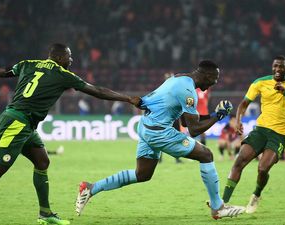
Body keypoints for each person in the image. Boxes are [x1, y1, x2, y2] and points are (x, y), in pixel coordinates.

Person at [0, 43, 141, 225]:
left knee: (42, 161)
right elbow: (97, 91)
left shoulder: (28, 63)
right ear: (59, 58)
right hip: (17, 123)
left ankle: (45, 213)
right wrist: (127, 98)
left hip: (25, 124)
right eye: (68, 56)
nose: (71, 59)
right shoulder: (62, 75)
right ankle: (45, 213)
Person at [75, 60, 246, 219]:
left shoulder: (180, 78)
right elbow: (194, 130)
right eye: (214, 79)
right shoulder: (188, 92)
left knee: (142, 174)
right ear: (206, 75)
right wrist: (217, 117)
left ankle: (90, 188)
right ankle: (218, 207)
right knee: (206, 154)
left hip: (146, 126)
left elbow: (187, 121)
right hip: (159, 132)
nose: (214, 83)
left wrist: (215, 114)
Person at [221, 55, 285, 214]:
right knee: (239, 162)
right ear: (272, 67)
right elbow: (244, 104)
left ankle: (256, 195)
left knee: (263, 168)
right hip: (260, 130)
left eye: (281, 67)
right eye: (275, 66)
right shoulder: (260, 82)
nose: (278, 69)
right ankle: (222, 203)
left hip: (280, 134)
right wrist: (238, 120)